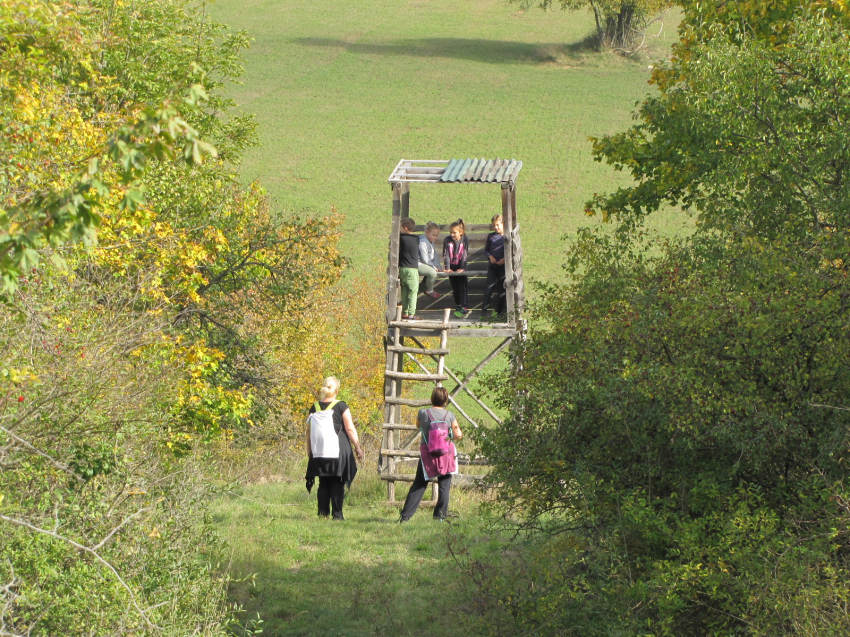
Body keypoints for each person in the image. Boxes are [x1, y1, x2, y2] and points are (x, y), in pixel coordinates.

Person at [305, 377, 365, 521]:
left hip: (319, 450)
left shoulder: (315, 407)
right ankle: (337, 515)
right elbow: (349, 428)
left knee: (323, 482)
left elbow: (308, 431)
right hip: (337, 450)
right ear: (336, 391)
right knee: (338, 481)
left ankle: (323, 514)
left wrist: (309, 449)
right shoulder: (341, 405)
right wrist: (357, 447)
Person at [399, 387, 463, 522]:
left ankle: (405, 517)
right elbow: (458, 434)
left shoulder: (423, 413)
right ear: (445, 400)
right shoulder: (450, 415)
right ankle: (440, 516)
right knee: (444, 486)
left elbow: (418, 426)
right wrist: (448, 436)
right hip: (447, 454)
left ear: (432, 398)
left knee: (419, 484)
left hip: (428, 454)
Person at [442, 219, 470, 318]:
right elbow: (446, 254)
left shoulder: (464, 240)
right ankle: (458, 305)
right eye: (451, 232)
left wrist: (462, 267)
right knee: (455, 288)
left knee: (462, 287)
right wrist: (447, 267)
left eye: (454, 232)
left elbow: (464, 255)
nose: (452, 235)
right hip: (452, 267)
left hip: (461, 266)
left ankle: (464, 307)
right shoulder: (447, 240)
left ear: (461, 232)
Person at [481, 214, 506, 319]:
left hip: (502, 267)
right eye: (494, 225)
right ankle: (483, 313)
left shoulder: (506, 237)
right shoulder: (491, 236)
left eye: (497, 225)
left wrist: (505, 259)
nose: (495, 228)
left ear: (503, 224)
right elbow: (486, 250)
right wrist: (490, 256)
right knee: (488, 289)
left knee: (501, 289)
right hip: (492, 266)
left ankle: (498, 312)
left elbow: (511, 251)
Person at [398, 217, 421, 320]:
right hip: (412, 269)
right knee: (412, 292)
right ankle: (411, 314)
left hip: (402, 268)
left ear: (405, 228)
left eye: (400, 227)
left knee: (405, 291)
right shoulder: (416, 238)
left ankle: (405, 312)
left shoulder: (401, 238)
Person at [418, 221, 443, 299]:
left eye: (437, 235)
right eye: (433, 235)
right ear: (427, 232)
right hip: (418, 263)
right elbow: (425, 258)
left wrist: (439, 267)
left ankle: (423, 285)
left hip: (425, 264)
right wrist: (433, 267)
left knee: (434, 271)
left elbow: (434, 256)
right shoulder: (423, 242)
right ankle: (429, 290)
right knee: (432, 273)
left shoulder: (431, 242)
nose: (435, 237)